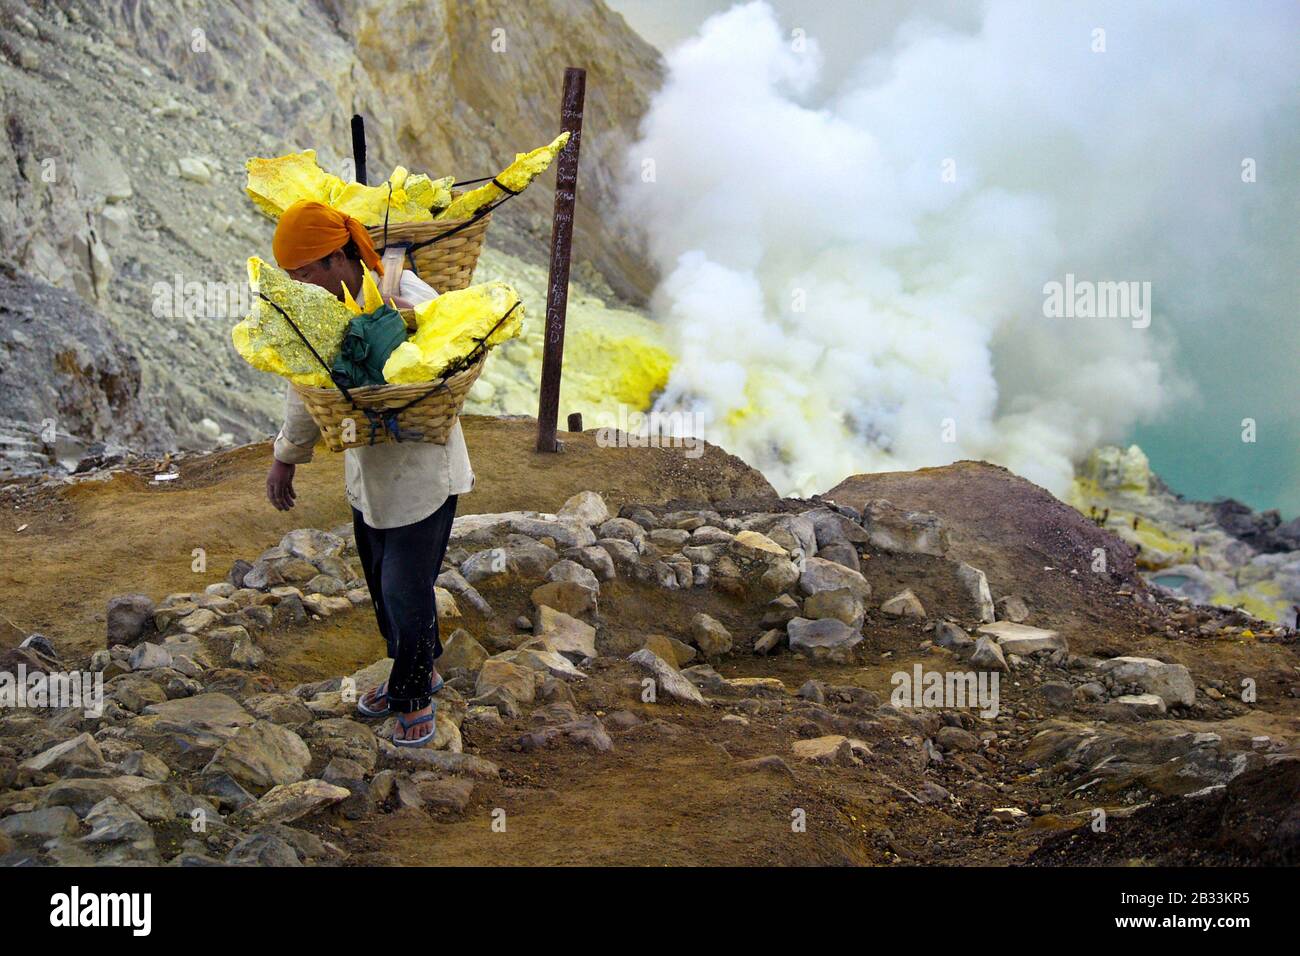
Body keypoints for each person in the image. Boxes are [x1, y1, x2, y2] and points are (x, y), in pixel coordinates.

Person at [265, 200, 473, 747]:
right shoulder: (314, 315)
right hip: (368, 477)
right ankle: (418, 668)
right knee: (381, 586)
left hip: (423, 473)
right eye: (290, 277)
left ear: (338, 259)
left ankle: (413, 697)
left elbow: (458, 343)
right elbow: (302, 387)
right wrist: (287, 456)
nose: (298, 285)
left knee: (407, 588)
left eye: (304, 273)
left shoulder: (408, 292)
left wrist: (413, 327)